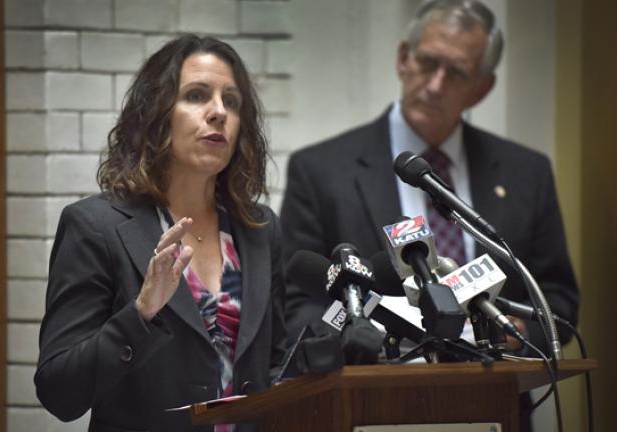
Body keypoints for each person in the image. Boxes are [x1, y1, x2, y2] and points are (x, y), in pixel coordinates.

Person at [280, 1, 579, 430]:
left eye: (456, 73)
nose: (435, 85)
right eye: (427, 63)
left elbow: (558, 297)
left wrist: (518, 332)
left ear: (482, 87)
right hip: (368, 410)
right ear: (404, 59)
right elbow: (298, 307)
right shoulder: (322, 170)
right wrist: (358, 340)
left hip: (496, 409)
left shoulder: (526, 173)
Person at [34, 34, 288, 432]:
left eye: (232, 101)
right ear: (157, 113)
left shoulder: (259, 229)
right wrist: (141, 313)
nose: (219, 112)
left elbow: (276, 363)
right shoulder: (96, 227)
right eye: (197, 95)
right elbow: (59, 392)